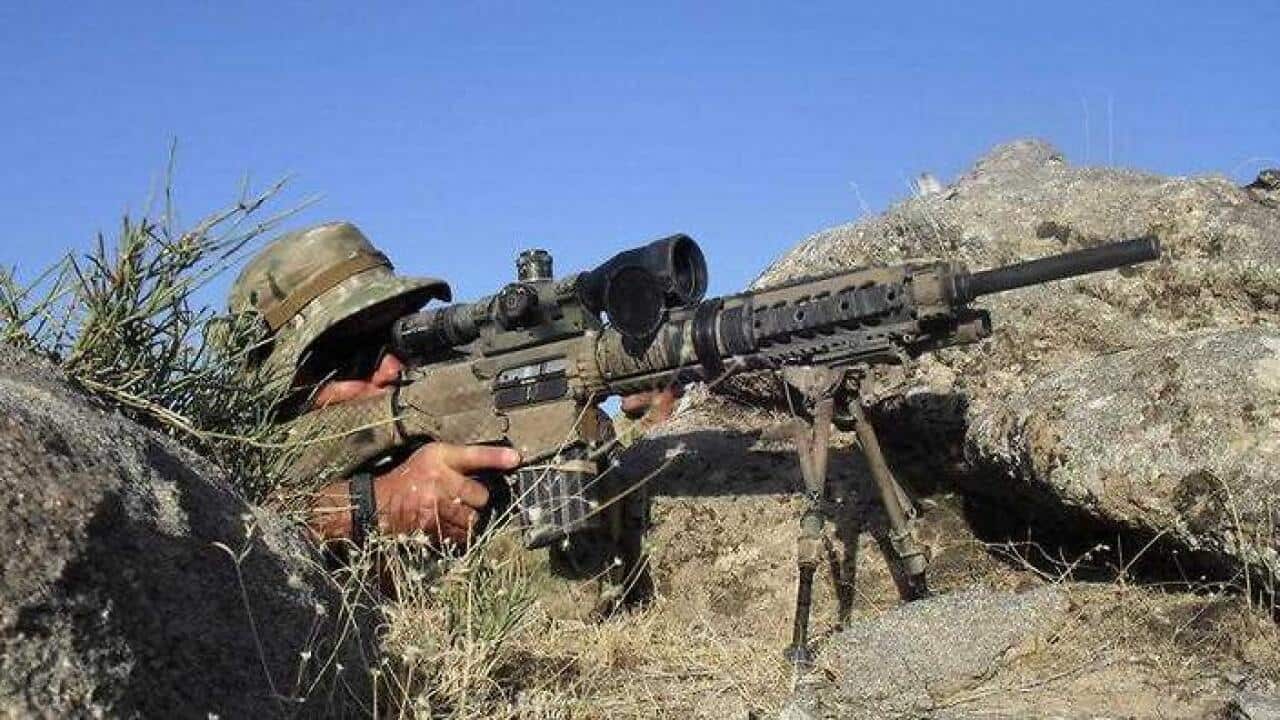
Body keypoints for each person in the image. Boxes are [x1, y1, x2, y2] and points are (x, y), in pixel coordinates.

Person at [228, 221, 675, 609]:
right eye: (349, 356)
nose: (390, 368)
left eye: (398, 340)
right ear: (281, 389)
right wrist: (367, 506)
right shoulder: (231, 476)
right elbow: (233, 529)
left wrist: (652, 420)